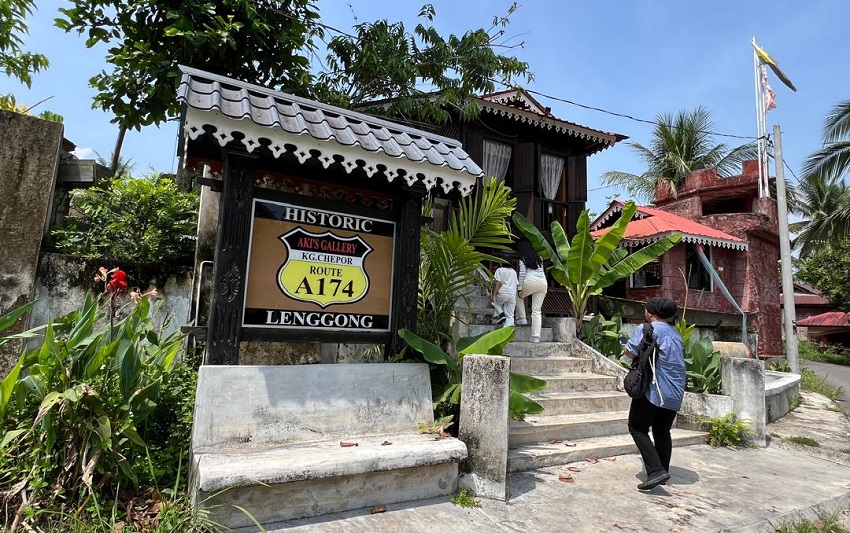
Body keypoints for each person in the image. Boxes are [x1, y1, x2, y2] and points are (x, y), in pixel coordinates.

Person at [622, 296, 686, 490]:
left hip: (653, 389)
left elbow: (631, 352)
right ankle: (662, 470)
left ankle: (656, 471)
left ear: (650, 313)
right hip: (675, 392)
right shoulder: (676, 335)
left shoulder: (646, 329)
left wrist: (625, 347)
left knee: (637, 427)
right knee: (662, 431)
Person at [514, 239, 547, 343]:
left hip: (530, 281)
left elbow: (522, 274)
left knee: (517, 295)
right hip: (542, 283)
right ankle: (536, 337)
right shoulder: (539, 258)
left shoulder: (523, 258)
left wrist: (520, 288)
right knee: (537, 311)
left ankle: (522, 318)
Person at [490, 262, 518, 327]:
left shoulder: (500, 270)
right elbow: (516, 283)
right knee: (510, 315)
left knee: (494, 302)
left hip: (503, 292)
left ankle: (501, 315)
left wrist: (494, 295)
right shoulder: (514, 271)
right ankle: (509, 330)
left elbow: (497, 283)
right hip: (513, 294)